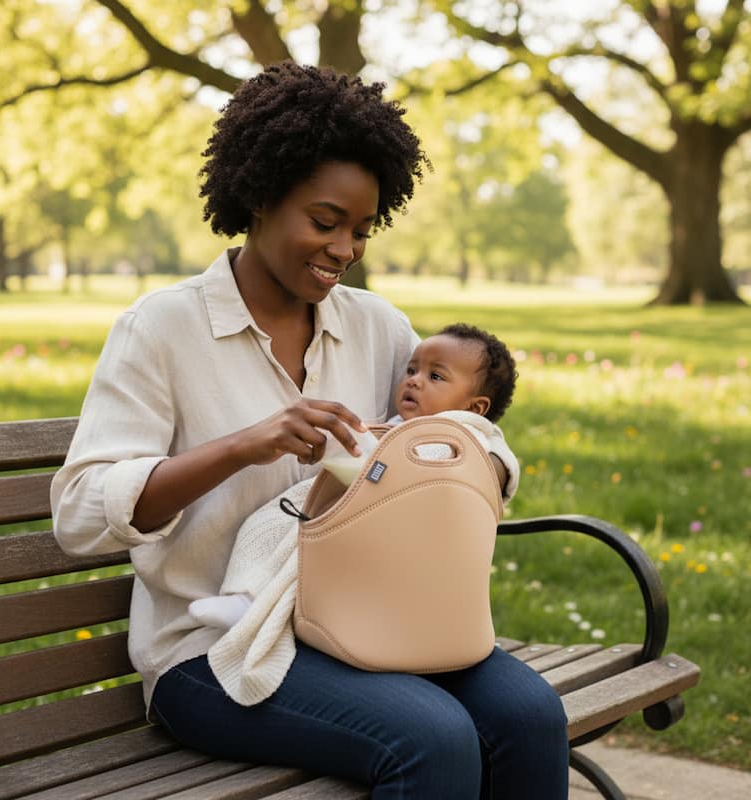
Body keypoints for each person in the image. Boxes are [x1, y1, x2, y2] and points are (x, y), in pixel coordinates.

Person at [51, 61, 568, 799]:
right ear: (259, 197)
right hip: (210, 650)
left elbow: (448, 442)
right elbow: (79, 512)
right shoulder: (162, 330)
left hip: (371, 624)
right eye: (325, 223)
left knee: (530, 713)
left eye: (361, 230)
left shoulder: (378, 327)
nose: (344, 250)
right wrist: (243, 445)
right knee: (433, 738)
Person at [190, 322, 521, 637]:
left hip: (397, 533)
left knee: (307, 539)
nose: (414, 380)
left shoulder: (462, 435)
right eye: (411, 370)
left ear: (475, 408)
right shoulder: (401, 424)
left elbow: (440, 473)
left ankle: (258, 603)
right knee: (272, 520)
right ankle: (247, 597)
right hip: (360, 511)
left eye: (435, 376)